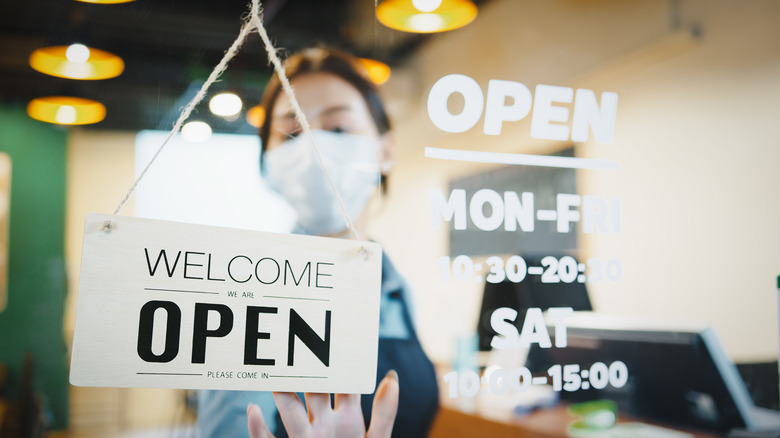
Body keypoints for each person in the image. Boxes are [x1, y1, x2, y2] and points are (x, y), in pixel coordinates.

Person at [197, 47, 439, 438]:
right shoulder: (247, 297)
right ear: (269, 164)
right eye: (291, 131)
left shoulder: (395, 289)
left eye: (339, 129)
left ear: (386, 151)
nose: (314, 149)